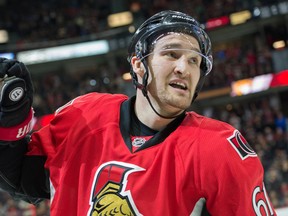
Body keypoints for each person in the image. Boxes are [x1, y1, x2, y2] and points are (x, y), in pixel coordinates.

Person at [0, 10, 277, 216]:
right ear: (138, 65)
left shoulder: (220, 148)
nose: (185, 67)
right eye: (171, 54)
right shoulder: (82, 117)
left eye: (194, 60)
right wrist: (12, 123)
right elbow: (22, 180)